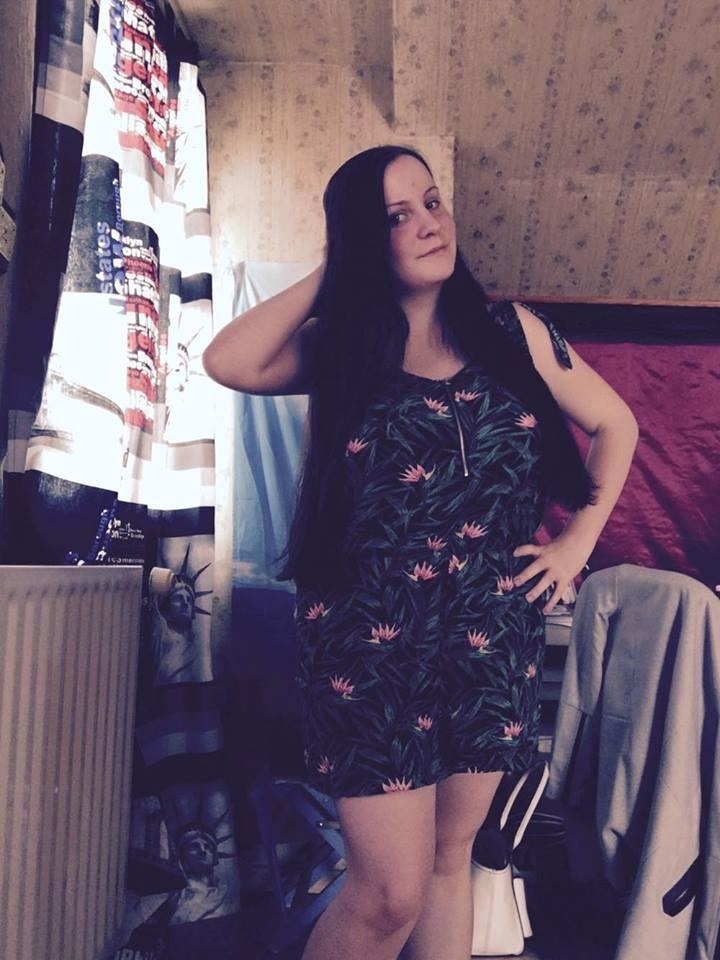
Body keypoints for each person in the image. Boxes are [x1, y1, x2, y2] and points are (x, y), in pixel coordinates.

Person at [203, 145, 638, 960]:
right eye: (395, 217)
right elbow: (228, 359)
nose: (429, 224)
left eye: (431, 202)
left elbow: (617, 423)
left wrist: (578, 539)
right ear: (365, 241)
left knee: (448, 860)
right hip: (368, 641)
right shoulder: (340, 348)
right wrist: (338, 268)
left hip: (490, 633)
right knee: (385, 896)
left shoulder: (516, 334)